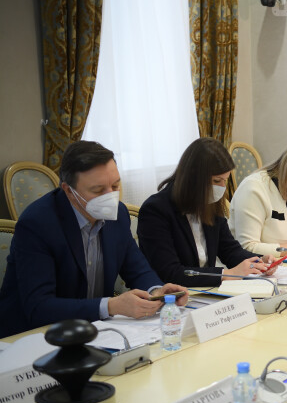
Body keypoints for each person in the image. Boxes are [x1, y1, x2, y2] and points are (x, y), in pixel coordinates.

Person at [0, 141, 188, 338]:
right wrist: (111, 306)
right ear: (68, 191)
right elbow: (39, 307)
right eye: (98, 190)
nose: (111, 197)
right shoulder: (37, 223)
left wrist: (156, 291)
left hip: (96, 331)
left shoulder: (118, 214)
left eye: (115, 186)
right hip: (32, 337)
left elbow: (137, 268)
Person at [137, 138, 275, 287]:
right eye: (217, 181)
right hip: (173, 293)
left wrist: (259, 261)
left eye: (225, 180)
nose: (222, 187)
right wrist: (225, 274)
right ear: (194, 178)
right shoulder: (155, 210)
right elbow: (170, 272)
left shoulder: (209, 203)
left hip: (206, 290)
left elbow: (229, 249)